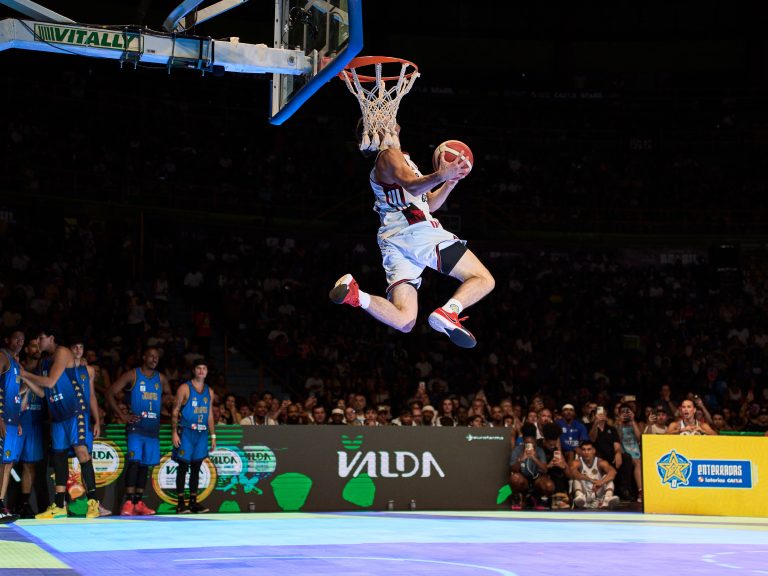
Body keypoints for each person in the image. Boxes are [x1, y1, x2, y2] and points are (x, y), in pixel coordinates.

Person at [329, 124, 495, 349]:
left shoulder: (400, 161)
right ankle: (450, 311)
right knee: (483, 279)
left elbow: (429, 203)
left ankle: (356, 295)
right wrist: (441, 174)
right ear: (378, 131)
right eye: (386, 118)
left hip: (395, 239)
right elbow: (413, 187)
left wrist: (449, 183)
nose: (394, 122)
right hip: (415, 230)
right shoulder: (388, 155)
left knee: (404, 320)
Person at [21, 329, 103, 519]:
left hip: (74, 411)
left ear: (51, 338)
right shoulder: (44, 362)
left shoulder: (62, 352)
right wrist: (24, 377)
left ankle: (93, 503)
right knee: (58, 457)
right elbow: (43, 392)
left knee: (82, 452)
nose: (38, 342)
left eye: (40, 338)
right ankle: (59, 505)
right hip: (58, 416)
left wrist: (25, 373)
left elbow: (50, 382)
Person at [107, 346, 171, 516]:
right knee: (134, 463)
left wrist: (166, 402)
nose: (154, 359)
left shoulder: (161, 379)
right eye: (151, 356)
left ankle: (139, 502)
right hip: (136, 428)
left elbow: (168, 395)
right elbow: (110, 392)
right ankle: (128, 502)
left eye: (157, 357)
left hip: (152, 430)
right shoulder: (133, 375)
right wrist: (122, 415)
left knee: (144, 466)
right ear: (143, 357)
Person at [171, 361, 216, 514]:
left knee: (196, 468)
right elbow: (175, 410)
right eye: (198, 368)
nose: (201, 371)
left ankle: (193, 502)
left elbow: (209, 414)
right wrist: (174, 432)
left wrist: (213, 436)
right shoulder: (184, 388)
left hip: (201, 433)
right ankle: (180, 504)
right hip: (187, 431)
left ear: (207, 371)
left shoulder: (209, 391)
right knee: (183, 467)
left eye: (204, 368)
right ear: (194, 370)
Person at [0, 329, 25, 523]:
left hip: (12, 420)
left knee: (8, 463)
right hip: (3, 419)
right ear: (7, 339)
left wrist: (17, 420)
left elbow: (15, 392)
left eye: (22, 339)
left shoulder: (16, 364)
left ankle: (1, 504)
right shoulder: (2, 356)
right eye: (16, 338)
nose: (20, 342)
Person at [569, 440, 620, 509]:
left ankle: (607, 499)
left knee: (607, 477)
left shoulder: (600, 462)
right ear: (581, 451)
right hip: (585, 494)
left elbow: (613, 472)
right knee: (576, 479)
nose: (586, 452)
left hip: (598, 492)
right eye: (584, 450)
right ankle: (579, 498)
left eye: (589, 449)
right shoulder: (577, 462)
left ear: (594, 451)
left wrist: (601, 482)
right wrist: (591, 480)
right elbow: (572, 473)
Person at [508, 423, 549, 510]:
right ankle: (517, 499)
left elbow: (545, 470)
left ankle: (538, 499)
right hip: (523, 480)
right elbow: (512, 469)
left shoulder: (540, 451)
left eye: (532, 443)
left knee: (548, 485)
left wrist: (534, 458)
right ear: (523, 440)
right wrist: (522, 459)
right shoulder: (517, 450)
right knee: (514, 479)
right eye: (527, 443)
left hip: (536, 480)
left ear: (535, 440)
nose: (529, 445)